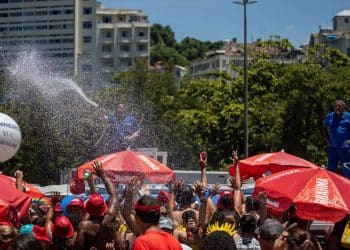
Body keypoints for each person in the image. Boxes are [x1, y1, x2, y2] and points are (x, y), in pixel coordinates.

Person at [322, 100, 350, 177]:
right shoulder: (329, 116)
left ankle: (347, 187)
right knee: (331, 171)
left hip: (345, 148)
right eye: (336, 106)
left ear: (344, 107)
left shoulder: (348, 116)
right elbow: (324, 127)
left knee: (347, 170)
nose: (337, 107)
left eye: (339, 106)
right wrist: (327, 140)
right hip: (332, 148)